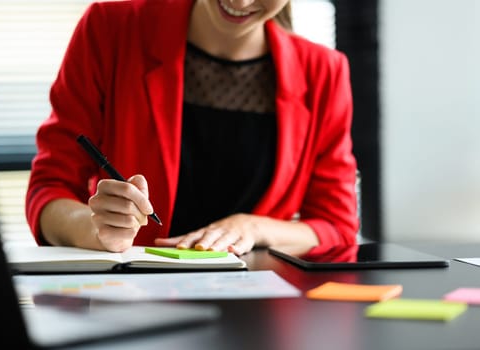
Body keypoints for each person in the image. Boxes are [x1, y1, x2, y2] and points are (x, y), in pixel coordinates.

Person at [26, 0, 360, 257]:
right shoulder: (110, 28)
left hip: (261, 308)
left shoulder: (324, 72)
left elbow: (337, 226)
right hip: (129, 298)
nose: (241, 3)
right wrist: (95, 230)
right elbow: (50, 188)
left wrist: (253, 227)